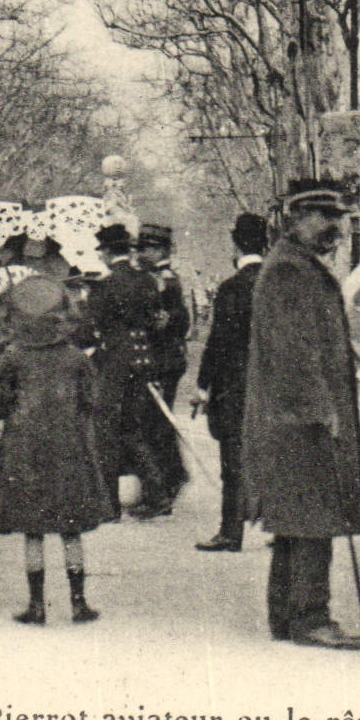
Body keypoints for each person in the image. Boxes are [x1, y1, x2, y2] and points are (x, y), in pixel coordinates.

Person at [241, 179, 360, 650]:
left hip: (292, 417)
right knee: (314, 520)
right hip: (300, 421)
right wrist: (321, 408)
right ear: (296, 220)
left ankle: (287, 617)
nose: (333, 227)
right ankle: (311, 617)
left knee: (297, 522)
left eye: (336, 218)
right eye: (322, 217)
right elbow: (292, 352)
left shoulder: (296, 266)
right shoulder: (289, 273)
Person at [0, 275, 115, 625]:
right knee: (72, 528)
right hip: (69, 446)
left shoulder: (12, 357)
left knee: (32, 529)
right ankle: (79, 602)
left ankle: (36, 605)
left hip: (23, 449)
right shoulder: (75, 359)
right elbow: (92, 401)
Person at [193, 213, 268, 552]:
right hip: (272, 384)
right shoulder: (275, 283)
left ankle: (230, 531)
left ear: (236, 245)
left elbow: (218, 343)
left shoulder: (231, 289)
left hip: (236, 387)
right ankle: (283, 531)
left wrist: (203, 385)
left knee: (233, 463)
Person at [83, 223, 160, 516]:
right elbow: (153, 321)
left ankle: (109, 505)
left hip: (114, 363)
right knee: (133, 430)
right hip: (142, 362)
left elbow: (91, 329)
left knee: (106, 431)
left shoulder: (104, 286)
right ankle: (156, 494)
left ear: (105, 252)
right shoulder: (147, 281)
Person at [136, 223, 190, 518]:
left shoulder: (164, 281)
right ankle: (171, 478)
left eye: (149, 248)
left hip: (163, 361)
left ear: (161, 250)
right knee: (158, 425)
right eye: (141, 248)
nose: (143, 253)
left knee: (154, 426)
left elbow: (174, 322)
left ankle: (162, 489)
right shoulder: (159, 278)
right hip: (165, 360)